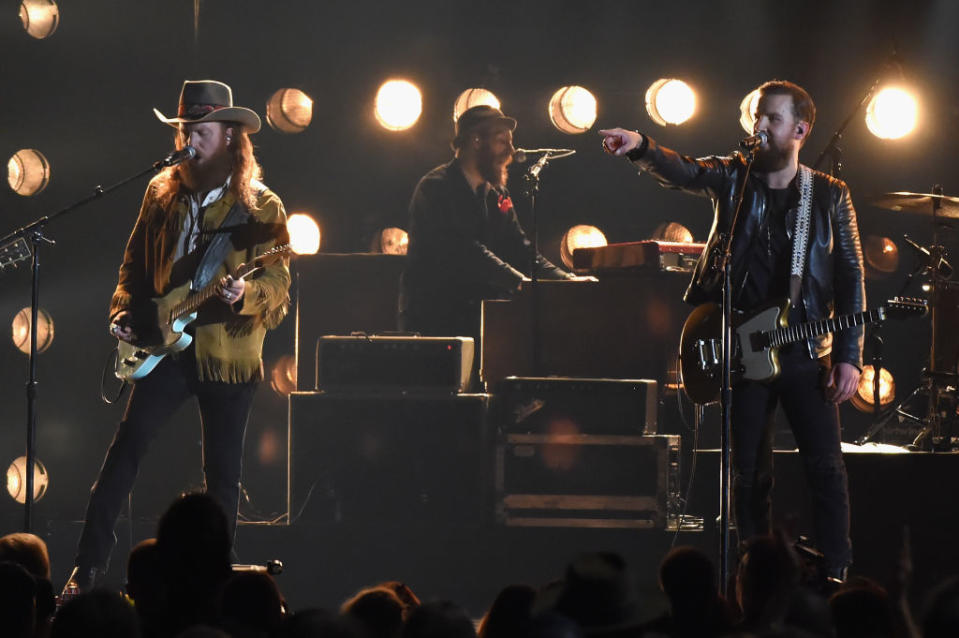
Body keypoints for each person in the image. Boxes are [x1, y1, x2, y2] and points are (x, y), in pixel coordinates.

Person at [600, 80, 864, 582]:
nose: (760, 127)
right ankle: (751, 567)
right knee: (747, 474)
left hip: (804, 348)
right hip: (740, 347)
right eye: (757, 117)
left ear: (800, 130)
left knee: (826, 469)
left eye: (773, 119)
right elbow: (687, 170)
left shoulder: (829, 196)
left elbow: (852, 276)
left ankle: (836, 570)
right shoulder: (735, 178)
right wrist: (642, 146)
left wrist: (848, 354)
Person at [72, 79, 291, 589]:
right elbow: (131, 265)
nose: (191, 137)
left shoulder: (261, 205)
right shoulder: (161, 190)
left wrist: (246, 296)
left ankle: (213, 584)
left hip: (228, 354)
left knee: (223, 475)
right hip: (165, 347)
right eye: (186, 128)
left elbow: (278, 283)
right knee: (125, 452)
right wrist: (123, 311)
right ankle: (86, 570)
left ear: (232, 135)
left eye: (202, 129)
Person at [399, 105, 586, 386]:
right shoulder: (435, 188)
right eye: (502, 140)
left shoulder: (497, 193)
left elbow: (521, 249)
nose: (511, 149)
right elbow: (464, 251)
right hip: (436, 323)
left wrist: (566, 282)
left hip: (483, 323)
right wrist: (521, 283)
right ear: (476, 141)